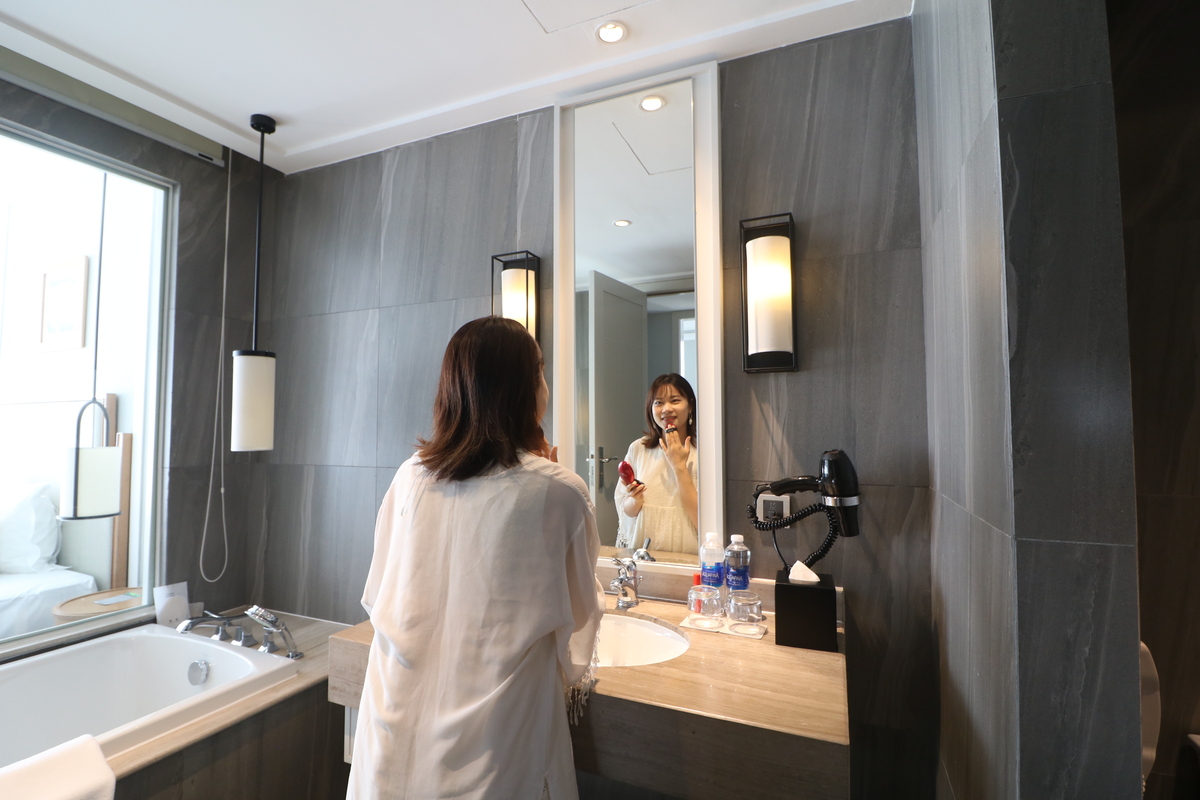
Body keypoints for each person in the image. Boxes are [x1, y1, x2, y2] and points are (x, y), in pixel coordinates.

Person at [348, 316, 604, 800]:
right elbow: (578, 627)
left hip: (392, 734)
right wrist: (545, 475)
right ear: (524, 389)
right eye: (541, 372)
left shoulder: (410, 476)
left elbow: (379, 593)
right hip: (495, 753)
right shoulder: (559, 491)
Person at [613, 373, 699, 555]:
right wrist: (635, 499)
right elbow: (627, 511)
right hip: (644, 550)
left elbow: (703, 520)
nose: (666, 409)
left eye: (675, 400)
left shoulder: (704, 452)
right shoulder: (639, 448)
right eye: (658, 402)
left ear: (690, 405)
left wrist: (679, 466)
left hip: (688, 552)